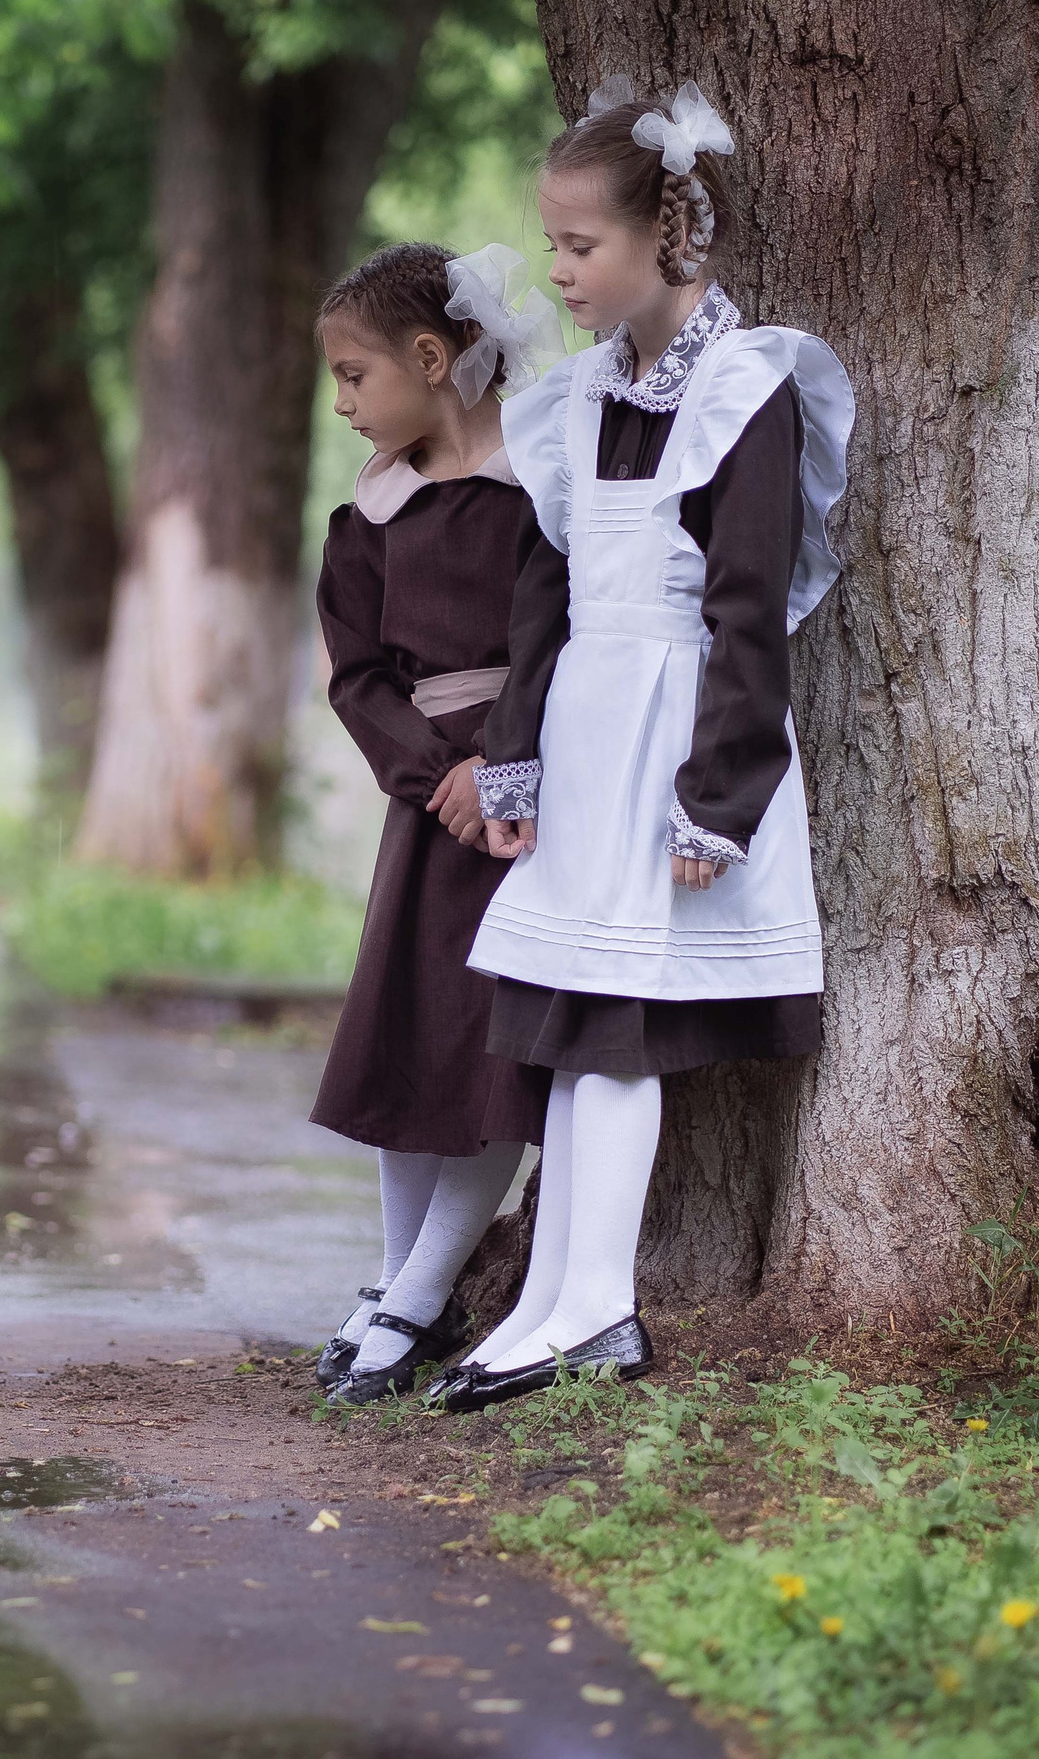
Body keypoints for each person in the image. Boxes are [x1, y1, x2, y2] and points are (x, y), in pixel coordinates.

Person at [425, 81, 853, 1414]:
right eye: (550, 245)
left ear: (666, 238)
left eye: (580, 246)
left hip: (672, 747)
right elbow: (540, 601)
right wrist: (513, 759)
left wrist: (717, 797)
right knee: (564, 1024)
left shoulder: (745, 386)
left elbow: (748, 615)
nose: (555, 273)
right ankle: (550, 1300)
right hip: (582, 739)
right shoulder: (580, 396)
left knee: (616, 1027)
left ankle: (599, 1305)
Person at [305, 241, 564, 1407]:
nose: (342, 402)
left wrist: (496, 770)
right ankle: (396, 1278)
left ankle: (419, 1293)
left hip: (527, 800)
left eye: (353, 374)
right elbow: (358, 678)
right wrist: (434, 774)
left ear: (428, 356)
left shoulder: (543, 493)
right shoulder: (367, 521)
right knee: (409, 1041)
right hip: (428, 814)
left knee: (490, 1051)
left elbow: (557, 640)